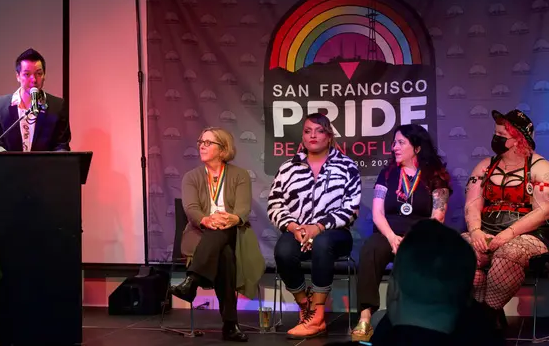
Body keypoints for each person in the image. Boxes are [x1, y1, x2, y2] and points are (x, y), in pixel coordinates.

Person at [351, 124, 451, 342]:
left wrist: (414, 240)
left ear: (416, 148)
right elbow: (377, 213)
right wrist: (391, 237)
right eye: (394, 143)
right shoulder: (387, 174)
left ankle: (417, 318)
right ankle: (365, 316)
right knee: (370, 249)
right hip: (390, 233)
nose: (394, 147)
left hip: (422, 235)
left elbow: (438, 217)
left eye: (400, 143)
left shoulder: (435, 176)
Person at [267, 113, 361, 339]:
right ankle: (305, 305)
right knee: (283, 251)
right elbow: (274, 202)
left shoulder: (347, 166)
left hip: (335, 234)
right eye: (308, 131)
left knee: (322, 242)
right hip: (298, 231)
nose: (313, 136)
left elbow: (351, 208)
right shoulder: (289, 167)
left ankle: (317, 317)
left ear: (329, 137)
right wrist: (293, 227)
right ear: (302, 136)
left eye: (319, 131)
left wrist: (318, 227)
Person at [170, 127, 265, 342]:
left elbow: (242, 209)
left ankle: (191, 281)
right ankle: (230, 325)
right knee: (225, 256)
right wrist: (206, 220)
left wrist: (229, 219)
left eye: (208, 142)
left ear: (223, 150)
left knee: (223, 234)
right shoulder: (191, 177)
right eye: (201, 142)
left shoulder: (239, 175)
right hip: (199, 233)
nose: (202, 145)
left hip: (233, 231)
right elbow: (192, 208)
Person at [462, 109, 549, 329]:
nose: (496, 137)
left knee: (508, 254)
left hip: (528, 234)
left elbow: (543, 211)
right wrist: (475, 231)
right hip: (486, 229)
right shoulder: (484, 166)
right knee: (461, 251)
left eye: (502, 134)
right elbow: (472, 204)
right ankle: (486, 318)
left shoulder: (539, 167)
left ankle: (486, 317)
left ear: (518, 140)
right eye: (495, 132)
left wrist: (509, 234)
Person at [371, 219, 479, 346]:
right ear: (469, 297)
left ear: (393, 289)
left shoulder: (384, 331)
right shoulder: (482, 332)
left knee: (377, 318)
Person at [0, 48, 71, 152]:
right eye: (27, 74)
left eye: (39, 74)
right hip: (10, 167)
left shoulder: (57, 106)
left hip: (45, 167)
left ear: (44, 75)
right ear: (18, 76)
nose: (34, 80)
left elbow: (61, 145)